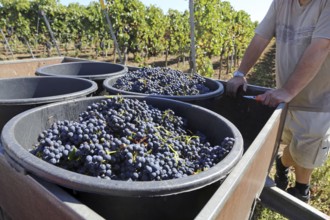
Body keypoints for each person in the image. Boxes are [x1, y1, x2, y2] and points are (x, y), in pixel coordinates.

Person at [226, 0, 330, 202]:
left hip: (317, 99)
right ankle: (283, 164)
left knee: (308, 146)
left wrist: (288, 90)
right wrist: (240, 73)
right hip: (286, 95)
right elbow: (261, 37)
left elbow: (322, 46)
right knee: (293, 145)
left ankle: (302, 190)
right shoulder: (282, 2)